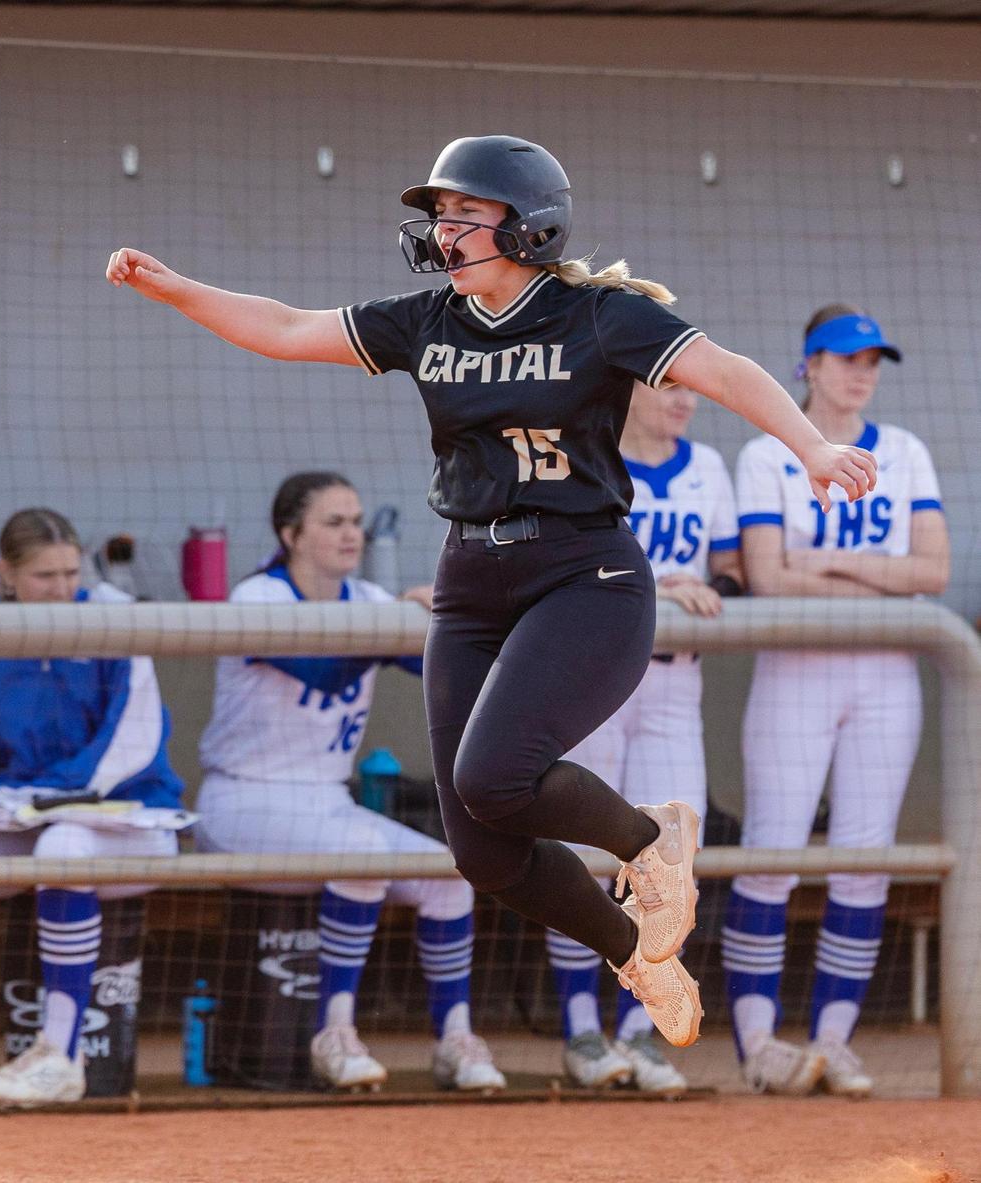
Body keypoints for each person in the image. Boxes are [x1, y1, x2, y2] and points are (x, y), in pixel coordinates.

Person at [107, 134, 877, 1055]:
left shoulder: (596, 315)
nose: (442, 235)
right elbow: (281, 327)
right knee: (481, 849)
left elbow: (728, 371)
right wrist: (173, 287)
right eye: (438, 219)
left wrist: (813, 448)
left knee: (491, 775)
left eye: (464, 217)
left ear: (529, 228)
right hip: (470, 581)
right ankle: (636, 949)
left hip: (583, 572)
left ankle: (648, 839)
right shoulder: (427, 320)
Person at [195, 471, 506, 1092]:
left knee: (452, 873)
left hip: (324, 804)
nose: (351, 533)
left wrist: (451, 619)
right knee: (360, 854)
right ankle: (333, 1033)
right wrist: (391, 617)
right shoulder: (258, 597)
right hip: (240, 800)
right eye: (332, 522)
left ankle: (455, 1039)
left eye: (355, 521)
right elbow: (326, 670)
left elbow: (444, 671)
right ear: (291, 534)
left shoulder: (365, 594)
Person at [721, 305, 950, 1097]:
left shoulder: (908, 452)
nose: (861, 372)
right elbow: (767, 574)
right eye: (845, 358)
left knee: (864, 858)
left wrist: (829, 563)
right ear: (809, 366)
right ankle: (757, 1041)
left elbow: (933, 570)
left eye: (872, 360)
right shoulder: (766, 453)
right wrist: (865, 569)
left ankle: (832, 1039)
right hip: (795, 671)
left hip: (884, 677)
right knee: (772, 850)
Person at [0, 508, 185, 1105]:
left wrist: (25, 798)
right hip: (25, 817)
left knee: (63, 845)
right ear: (5, 575)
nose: (62, 588)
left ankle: (59, 1055)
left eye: (69, 573)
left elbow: (128, 750)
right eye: (44, 577)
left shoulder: (113, 621)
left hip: (132, 818)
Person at [549, 380, 743, 1095]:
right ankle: (582, 1030)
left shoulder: (708, 469)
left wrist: (707, 582)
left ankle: (644, 1031)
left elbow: (734, 570)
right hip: (591, 676)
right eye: (663, 385)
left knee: (673, 860)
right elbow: (556, 568)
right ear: (621, 388)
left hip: (671, 685)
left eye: (687, 386)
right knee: (584, 856)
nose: (682, 399)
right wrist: (652, 582)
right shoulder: (578, 456)